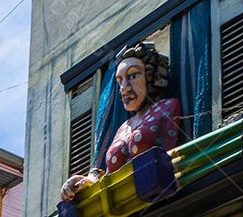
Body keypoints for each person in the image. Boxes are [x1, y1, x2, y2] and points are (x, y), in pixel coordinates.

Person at [60, 41, 180, 202]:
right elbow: (109, 176)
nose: (124, 88)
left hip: (160, 197)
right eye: (119, 81)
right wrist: (83, 180)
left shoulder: (167, 106)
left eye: (132, 76)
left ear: (151, 76)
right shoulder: (123, 128)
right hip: (121, 208)